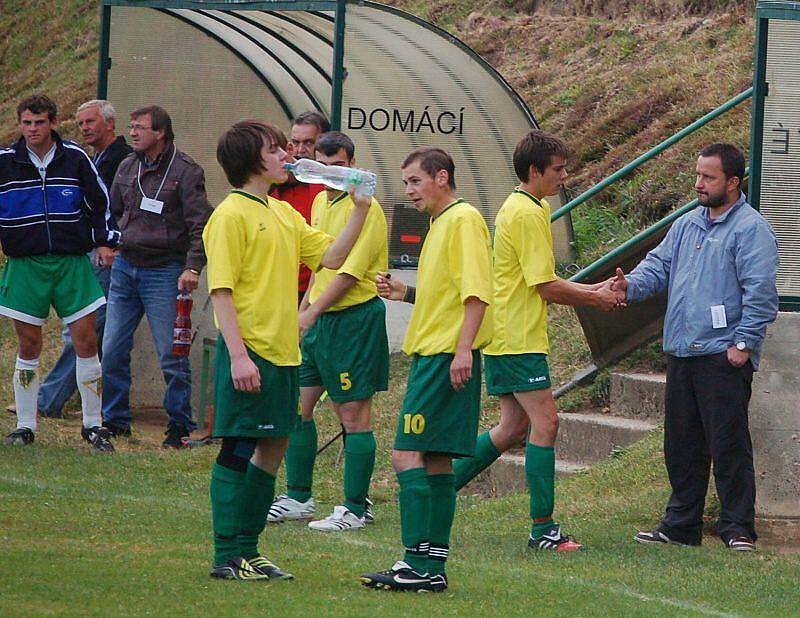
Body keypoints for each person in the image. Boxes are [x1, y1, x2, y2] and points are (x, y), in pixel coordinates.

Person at [203, 120, 371, 580]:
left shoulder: (282, 212)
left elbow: (331, 257)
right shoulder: (230, 215)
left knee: (273, 450)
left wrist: (359, 209)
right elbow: (221, 291)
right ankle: (225, 556)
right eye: (276, 149)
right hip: (250, 352)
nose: (287, 156)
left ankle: (249, 549)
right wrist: (237, 355)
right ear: (252, 161)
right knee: (237, 449)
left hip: (283, 354)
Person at [449, 131, 621, 552]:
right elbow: (544, 285)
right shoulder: (526, 213)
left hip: (510, 334)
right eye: (558, 170)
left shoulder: (531, 206)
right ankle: (543, 529)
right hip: (517, 337)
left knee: (512, 428)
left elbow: (542, 280)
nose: (564, 177)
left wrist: (595, 288)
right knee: (546, 423)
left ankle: (430, 488)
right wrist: (594, 298)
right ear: (534, 171)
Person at [613, 142, 779, 552]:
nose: (699, 184)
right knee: (682, 446)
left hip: (723, 355)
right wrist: (628, 286)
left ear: (733, 182)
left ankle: (738, 528)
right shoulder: (687, 225)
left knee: (728, 445)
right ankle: (681, 525)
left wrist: (742, 344)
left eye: (709, 177)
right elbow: (658, 268)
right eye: (698, 175)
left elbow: (761, 293)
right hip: (683, 352)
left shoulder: (750, 229)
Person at [361, 148, 492, 592]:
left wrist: (463, 351)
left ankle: (415, 563)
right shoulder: (441, 223)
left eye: (416, 181)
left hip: (442, 358)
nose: (409, 191)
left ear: (441, 177)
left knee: (405, 454)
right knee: (435, 460)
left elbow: (477, 294)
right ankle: (431, 566)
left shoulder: (463, 220)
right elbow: (451, 295)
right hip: (436, 353)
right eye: (406, 183)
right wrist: (407, 293)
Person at [268, 132, 389, 531]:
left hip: (353, 321)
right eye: (323, 167)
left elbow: (351, 273)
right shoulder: (319, 200)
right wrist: (304, 310)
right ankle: (299, 497)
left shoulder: (368, 208)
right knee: (295, 406)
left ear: (352, 164)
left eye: (338, 167)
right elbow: (322, 264)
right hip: (318, 321)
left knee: (352, 414)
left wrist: (312, 311)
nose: (331, 176)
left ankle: (356, 507)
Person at [0, 94, 120, 452]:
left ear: (53, 122)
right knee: (29, 343)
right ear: (20, 125)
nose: (33, 130)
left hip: (71, 263)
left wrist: (104, 242)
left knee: (86, 341)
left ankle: (93, 425)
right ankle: (24, 425)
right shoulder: (6, 162)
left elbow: (100, 202)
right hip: (25, 264)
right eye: (27, 123)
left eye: (39, 122)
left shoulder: (76, 158)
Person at [101, 105, 212, 448]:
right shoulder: (127, 165)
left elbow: (199, 224)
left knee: (171, 352)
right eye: (131, 127)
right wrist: (111, 242)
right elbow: (114, 210)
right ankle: (115, 419)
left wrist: (192, 267)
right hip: (126, 267)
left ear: (160, 132)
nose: (132, 133)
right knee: (113, 346)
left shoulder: (185, 170)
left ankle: (179, 423)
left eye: (140, 128)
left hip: (164, 270)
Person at [35, 99, 132, 419]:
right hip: (89, 251)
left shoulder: (121, 160)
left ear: (110, 124)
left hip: (106, 253)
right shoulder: (93, 157)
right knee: (82, 327)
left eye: (90, 122)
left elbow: (113, 208)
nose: (85, 128)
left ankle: (52, 398)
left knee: (88, 326)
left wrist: (108, 243)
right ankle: (59, 397)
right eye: (80, 124)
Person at [270, 111, 329, 303]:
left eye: (309, 143)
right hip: (278, 287)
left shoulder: (328, 187)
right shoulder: (273, 184)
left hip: (317, 290)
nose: (300, 150)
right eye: (295, 143)